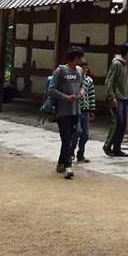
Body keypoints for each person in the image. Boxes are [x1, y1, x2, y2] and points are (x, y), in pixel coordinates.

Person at [48, 47, 85, 179]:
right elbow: (51, 90)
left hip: (76, 110)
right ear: (75, 58)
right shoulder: (60, 71)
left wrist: (81, 92)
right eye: (81, 57)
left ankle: (60, 163)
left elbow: (82, 85)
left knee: (71, 138)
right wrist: (66, 97)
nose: (82, 60)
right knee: (67, 138)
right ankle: (68, 167)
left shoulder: (80, 71)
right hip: (62, 111)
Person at [103, 42, 128, 157]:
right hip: (117, 97)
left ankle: (117, 148)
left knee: (123, 124)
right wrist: (112, 97)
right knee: (117, 122)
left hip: (125, 97)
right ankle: (107, 146)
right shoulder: (117, 64)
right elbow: (109, 81)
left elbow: (126, 82)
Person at [76, 60, 96, 163]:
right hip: (76, 110)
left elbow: (91, 96)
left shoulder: (89, 81)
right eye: (82, 68)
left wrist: (92, 109)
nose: (84, 70)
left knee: (85, 134)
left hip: (85, 110)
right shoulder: (76, 80)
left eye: (86, 68)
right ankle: (70, 152)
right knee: (77, 132)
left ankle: (81, 154)